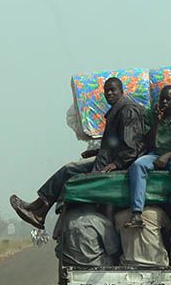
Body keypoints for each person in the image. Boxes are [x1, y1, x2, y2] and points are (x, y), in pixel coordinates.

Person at [10, 77, 146, 229]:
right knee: (70, 169)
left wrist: (116, 163)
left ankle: (38, 209)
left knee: (71, 173)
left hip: (115, 164)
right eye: (106, 91)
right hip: (106, 159)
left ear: (122, 91)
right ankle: (39, 209)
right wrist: (97, 151)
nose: (109, 93)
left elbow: (132, 147)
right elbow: (118, 142)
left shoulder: (127, 111)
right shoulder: (118, 110)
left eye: (113, 90)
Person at [126, 85, 171, 229]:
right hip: (154, 153)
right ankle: (137, 213)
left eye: (168, 100)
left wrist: (167, 156)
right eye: (162, 99)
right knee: (138, 166)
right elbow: (148, 142)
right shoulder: (150, 114)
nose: (164, 103)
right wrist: (157, 122)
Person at [53, 204, 121, 267]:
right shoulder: (100, 220)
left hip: (69, 261)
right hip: (96, 263)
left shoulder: (66, 217)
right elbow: (113, 249)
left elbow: (55, 236)